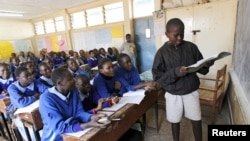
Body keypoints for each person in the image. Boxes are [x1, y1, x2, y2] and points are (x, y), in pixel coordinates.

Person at [152, 18, 214, 141]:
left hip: (191, 91)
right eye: (176, 35)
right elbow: (158, 78)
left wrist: (206, 64)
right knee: (175, 121)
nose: (180, 38)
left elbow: (201, 69)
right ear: (167, 34)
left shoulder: (191, 47)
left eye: (182, 34)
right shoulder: (161, 53)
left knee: (196, 120)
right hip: (173, 93)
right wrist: (175, 72)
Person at [39, 68, 108, 141]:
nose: (74, 81)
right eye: (70, 79)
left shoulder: (73, 91)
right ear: (60, 83)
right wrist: (87, 125)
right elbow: (60, 128)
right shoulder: (46, 99)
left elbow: (79, 113)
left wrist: (91, 117)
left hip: (74, 132)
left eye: (72, 77)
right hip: (56, 138)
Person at [7, 66, 48, 141]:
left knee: (42, 124)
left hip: (35, 109)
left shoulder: (34, 81)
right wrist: (35, 96)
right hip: (18, 113)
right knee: (29, 130)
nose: (30, 77)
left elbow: (46, 91)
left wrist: (30, 99)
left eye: (30, 74)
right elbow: (21, 103)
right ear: (18, 78)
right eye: (26, 76)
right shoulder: (12, 88)